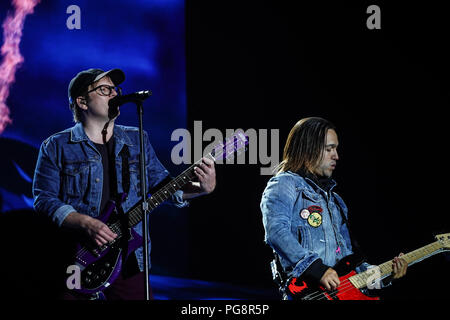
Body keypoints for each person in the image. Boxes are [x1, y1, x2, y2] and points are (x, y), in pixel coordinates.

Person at [32, 68, 216, 300]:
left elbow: (165, 188)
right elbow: (43, 199)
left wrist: (200, 189)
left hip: (129, 257)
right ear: (82, 102)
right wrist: (85, 223)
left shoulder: (137, 140)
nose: (114, 94)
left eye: (115, 89)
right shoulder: (56, 145)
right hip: (76, 254)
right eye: (104, 89)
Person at [260, 117, 407, 299]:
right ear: (308, 149)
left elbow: (349, 262)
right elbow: (275, 232)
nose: (336, 155)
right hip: (308, 292)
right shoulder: (284, 184)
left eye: (335, 149)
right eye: (329, 149)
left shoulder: (336, 201)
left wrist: (386, 275)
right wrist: (315, 269)